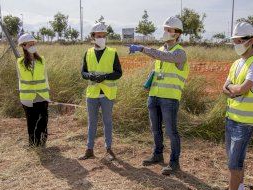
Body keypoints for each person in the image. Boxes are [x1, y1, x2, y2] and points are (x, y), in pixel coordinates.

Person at [129, 16, 189, 175]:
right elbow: (159, 68)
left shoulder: (180, 53)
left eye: (169, 30)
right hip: (154, 95)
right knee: (155, 129)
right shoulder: (161, 51)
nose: (166, 32)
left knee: (171, 131)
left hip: (169, 98)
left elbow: (163, 57)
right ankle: (157, 155)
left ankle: (174, 163)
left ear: (177, 34)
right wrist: (150, 79)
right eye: (165, 29)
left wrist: (142, 48)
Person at [220, 22, 253, 190]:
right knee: (235, 159)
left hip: (245, 123)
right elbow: (225, 88)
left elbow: (242, 89)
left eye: (239, 40)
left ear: (251, 41)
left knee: (234, 163)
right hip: (231, 118)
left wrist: (234, 89)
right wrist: (234, 88)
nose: (236, 44)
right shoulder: (236, 63)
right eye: (234, 40)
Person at [78, 22, 122, 161]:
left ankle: (108, 149)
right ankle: (89, 149)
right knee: (92, 122)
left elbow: (118, 73)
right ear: (93, 37)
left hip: (107, 94)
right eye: (99, 36)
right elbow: (83, 72)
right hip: (92, 94)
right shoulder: (88, 53)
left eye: (103, 36)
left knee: (107, 122)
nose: (101, 38)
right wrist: (90, 76)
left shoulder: (112, 52)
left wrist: (105, 76)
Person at [17, 33, 50, 147]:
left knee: (43, 119)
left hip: (42, 95)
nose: (32, 46)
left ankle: (42, 142)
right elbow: (21, 78)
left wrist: (48, 93)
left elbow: (45, 77)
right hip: (28, 97)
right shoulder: (20, 62)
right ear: (24, 46)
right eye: (30, 44)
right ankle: (32, 144)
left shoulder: (42, 60)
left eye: (33, 44)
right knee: (31, 121)